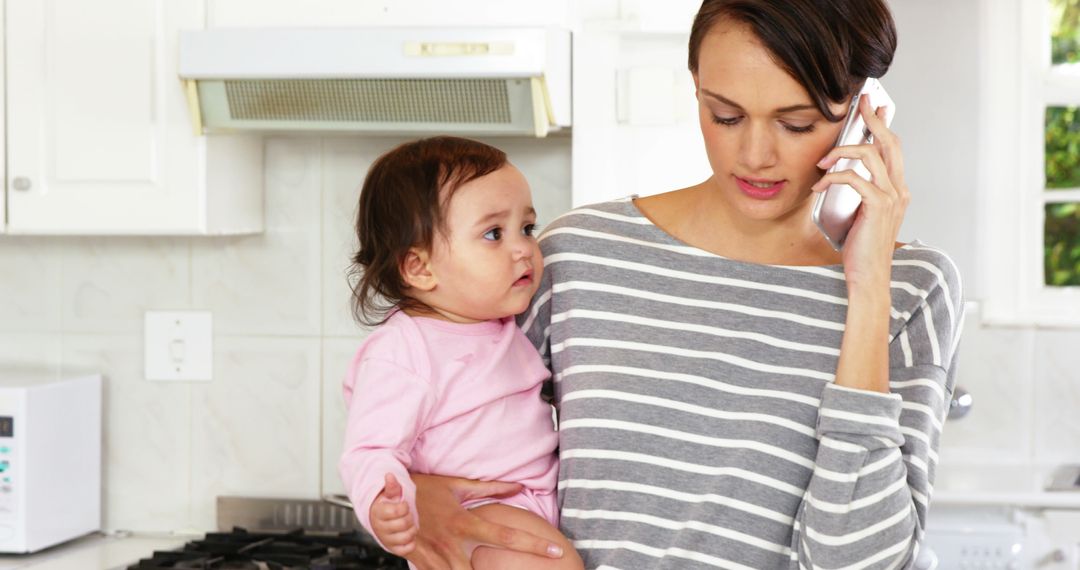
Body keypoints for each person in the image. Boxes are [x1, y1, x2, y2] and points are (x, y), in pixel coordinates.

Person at [399, 0, 965, 569]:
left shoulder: (912, 289)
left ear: (865, 114)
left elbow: (859, 562)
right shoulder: (574, 255)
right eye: (725, 115)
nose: (754, 156)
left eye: (797, 124)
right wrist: (413, 494)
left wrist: (868, 288)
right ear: (695, 87)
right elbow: (433, 413)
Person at [339, 136, 584, 570]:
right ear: (420, 267)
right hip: (474, 513)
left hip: (527, 503)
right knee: (558, 564)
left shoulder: (505, 323)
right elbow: (370, 449)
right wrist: (383, 503)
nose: (524, 248)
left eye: (527, 228)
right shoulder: (404, 349)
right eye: (493, 233)